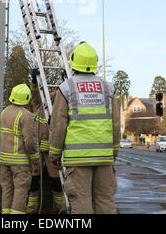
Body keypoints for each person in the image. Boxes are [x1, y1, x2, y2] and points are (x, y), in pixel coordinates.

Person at [49, 42, 120, 214]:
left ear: (74, 62)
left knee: (81, 203)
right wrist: (114, 152)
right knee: (105, 201)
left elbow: (58, 125)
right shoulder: (108, 88)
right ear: (95, 62)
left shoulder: (66, 89)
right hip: (104, 157)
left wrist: (54, 154)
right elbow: (116, 124)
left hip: (78, 159)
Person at [26, 69, 67, 214]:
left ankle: (62, 209)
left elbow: (64, 94)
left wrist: (65, 81)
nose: (50, 95)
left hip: (51, 153)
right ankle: (31, 210)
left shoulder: (56, 109)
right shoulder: (38, 106)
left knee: (56, 182)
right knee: (34, 182)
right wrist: (34, 82)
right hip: (37, 153)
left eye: (53, 94)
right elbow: (35, 95)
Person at [0, 83, 40, 214]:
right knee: (20, 190)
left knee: (7, 189)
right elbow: (30, 142)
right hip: (20, 163)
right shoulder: (26, 115)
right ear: (26, 98)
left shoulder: (4, 112)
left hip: (4, 161)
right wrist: (36, 161)